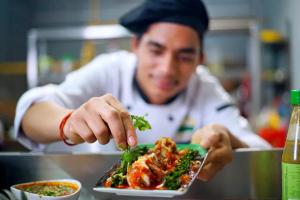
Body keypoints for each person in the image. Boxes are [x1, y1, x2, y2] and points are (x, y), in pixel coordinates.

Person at [14, 0, 270, 181]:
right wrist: (69, 122)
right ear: (136, 45)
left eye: (184, 56)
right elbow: (30, 114)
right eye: (156, 50)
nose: (167, 69)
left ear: (199, 59)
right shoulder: (109, 69)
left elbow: (261, 151)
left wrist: (226, 136)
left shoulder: (204, 87)